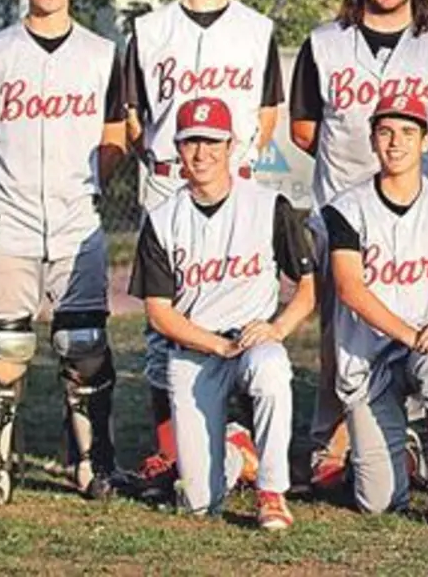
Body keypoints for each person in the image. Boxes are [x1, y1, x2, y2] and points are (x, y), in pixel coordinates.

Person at [289, 0, 428, 491]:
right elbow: (303, 129)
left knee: (423, 316)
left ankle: (409, 432)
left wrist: (411, 164)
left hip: (419, 207)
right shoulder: (325, 41)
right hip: (344, 203)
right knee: (340, 333)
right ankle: (330, 439)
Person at [0, 0, 125, 510]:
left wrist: (91, 185)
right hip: (13, 221)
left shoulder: (102, 55)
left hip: (78, 221)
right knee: (7, 344)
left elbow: (114, 137)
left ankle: (93, 462)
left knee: (85, 344)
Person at [124, 0, 284, 501]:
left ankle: (237, 437)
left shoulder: (255, 28)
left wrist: (229, 168)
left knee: (240, 307)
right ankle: (172, 454)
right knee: (164, 329)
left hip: (234, 179)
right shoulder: (149, 28)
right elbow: (135, 115)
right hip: (168, 179)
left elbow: (266, 115)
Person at [129, 97, 316, 530]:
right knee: (198, 504)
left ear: (231, 144)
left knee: (272, 369)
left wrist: (277, 328)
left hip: (252, 342)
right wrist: (216, 344)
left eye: (212, 141)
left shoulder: (268, 205)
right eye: (191, 142)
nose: (202, 152)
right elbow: (159, 314)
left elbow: (307, 288)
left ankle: (272, 491)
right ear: (177, 149)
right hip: (196, 349)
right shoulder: (162, 220)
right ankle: (235, 450)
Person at [321, 94, 428, 525]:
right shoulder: (347, 208)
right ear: (373, 140)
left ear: (424, 142)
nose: (395, 142)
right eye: (385, 132)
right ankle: (406, 455)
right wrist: (414, 335)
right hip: (368, 353)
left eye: (407, 132)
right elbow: (350, 289)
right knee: (378, 502)